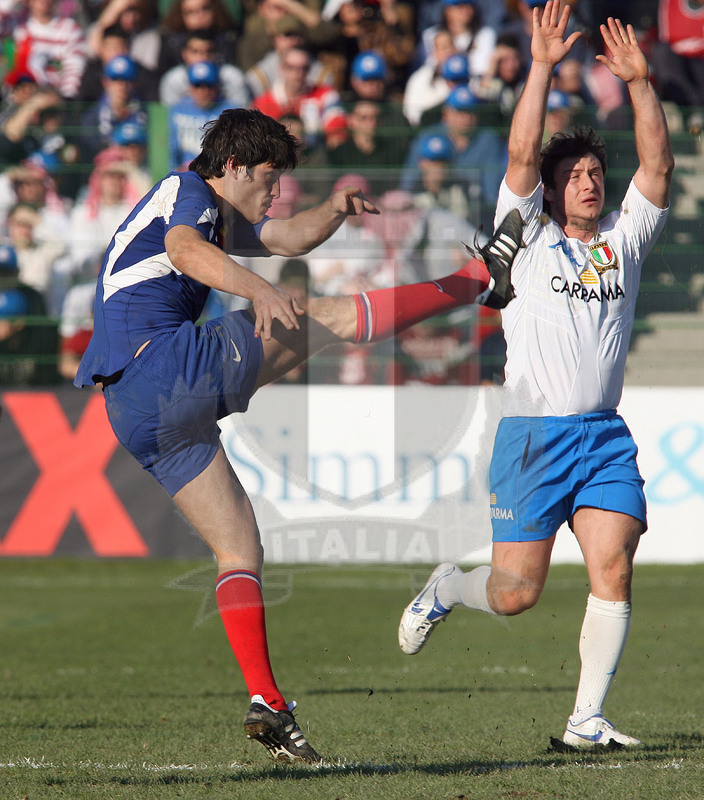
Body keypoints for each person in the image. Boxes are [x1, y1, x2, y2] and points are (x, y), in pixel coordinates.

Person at [73, 107, 523, 764]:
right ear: (232, 165)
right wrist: (257, 290)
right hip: (163, 364)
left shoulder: (216, 212)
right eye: (269, 178)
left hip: (134, 409)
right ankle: (483, 278)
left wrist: (335, 209)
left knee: (238, 547)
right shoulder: (187, 193)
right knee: (331, 316)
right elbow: (183, 252)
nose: (275, 192)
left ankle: (268, 703)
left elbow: (285, 240)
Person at [398, 3, 675, 751]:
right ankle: (448, 587)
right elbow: (521, 153)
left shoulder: (625, 239)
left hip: (604, 438)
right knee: (515, 593)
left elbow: (657, 166)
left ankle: (585, 721)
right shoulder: (528, 244)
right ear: (550, 194)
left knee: (613, 568)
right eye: (574, 175)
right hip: (532, 439)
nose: (588, 181)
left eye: (594, 173)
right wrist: (544, 64)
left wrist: (642, 85)